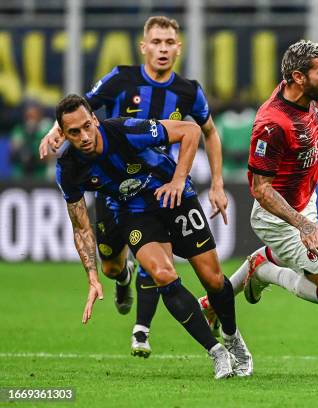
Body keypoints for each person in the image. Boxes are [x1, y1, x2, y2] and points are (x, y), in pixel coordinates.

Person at [39, 16, 227, 357]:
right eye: (156, 42)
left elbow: (207, 132)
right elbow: (80, 106)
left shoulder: (188, 91)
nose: (163, 49)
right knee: (111, 266)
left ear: (178, 47)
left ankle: (142, 331)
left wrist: (216, 182)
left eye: (169, 43)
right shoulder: (121, 79)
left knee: (158, 263)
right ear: (144, 46)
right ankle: (122, 279)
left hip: (157, 186)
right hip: (110, 192)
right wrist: (55, 130)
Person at [55, 94, 251, 379]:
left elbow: (190, 130)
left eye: (87, 126)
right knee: (163, 274)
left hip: (174, 198)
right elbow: (81, 226)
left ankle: (233, 340)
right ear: (62, 134)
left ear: (95, 119)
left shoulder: (125, 130)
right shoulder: (68, 167)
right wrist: (92, 277)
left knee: (212, 279)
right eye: (74, 132)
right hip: (134, 214)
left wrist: (178, 180)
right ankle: (216, 352)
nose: (84, 136)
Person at [199, 40, 318, 316]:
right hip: (278, 218)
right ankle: (266, 272)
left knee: (309, 267)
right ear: (299, 78)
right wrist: (303, 225)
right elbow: (261, 189)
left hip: (303, 201)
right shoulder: (273, 124)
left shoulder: (309, 90)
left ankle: (218, 301)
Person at [10, 102, 54, 180]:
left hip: (40, 175)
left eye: (33, 116)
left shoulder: (47, 130)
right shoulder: (19, 129)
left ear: (39, 115)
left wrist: (34, 155)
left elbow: (50, 156)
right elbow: (13, 153)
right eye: (28, 116)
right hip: (20, 174)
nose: (30, 119)